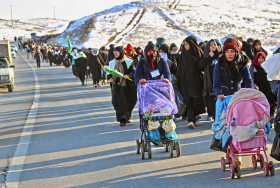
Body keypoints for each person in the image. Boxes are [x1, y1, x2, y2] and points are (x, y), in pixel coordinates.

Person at [176, 36, 205, 129]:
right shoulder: (182, 56)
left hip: (196, 81)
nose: (185, 46)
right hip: (184, 81)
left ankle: (194, 117)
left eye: (187, 44)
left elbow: (201, 67)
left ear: (192, 44)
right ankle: (191, 120)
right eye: (185, 44)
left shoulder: (198, 54)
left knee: (195, 99)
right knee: (188, 101)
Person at [107, 46, 137, 126]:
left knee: (127, 101)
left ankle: (123, 118)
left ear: (121, 52)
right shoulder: (111, 62)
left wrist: (128, 75)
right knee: (115, 102)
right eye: (114, 52)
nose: (115, 53)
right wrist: (110, 78)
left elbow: (134, 72)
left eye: (117, 52)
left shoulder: (129, 61)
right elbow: (108, 73)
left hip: (127, 85)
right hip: (116, 85)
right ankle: (125, 115)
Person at [249, 52, 277, 118]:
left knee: (270, 102)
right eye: (259, 58)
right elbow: (251, 78)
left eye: (262, 58)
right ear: (256, 58)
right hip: (258, 88)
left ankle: (271, 117)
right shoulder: (253, 67)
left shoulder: (268, 66)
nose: (261, 60)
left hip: (268, 88)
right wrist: (254, 86)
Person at [199, 39, 221, 121]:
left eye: (214, 45)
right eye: (211, 45)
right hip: (209, 80)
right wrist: (209, 57)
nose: (213, 46)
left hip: (218, 79)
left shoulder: (219, 55)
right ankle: (210, 113)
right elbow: (201, 65)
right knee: (210, 97)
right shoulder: (206, 55)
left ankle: (217, 115)